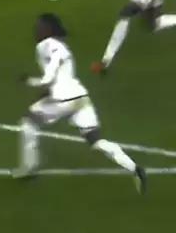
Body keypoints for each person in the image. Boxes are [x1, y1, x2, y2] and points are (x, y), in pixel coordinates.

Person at [18, 13, 146, 194]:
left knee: (28, 121)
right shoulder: (61, 46)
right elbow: (57, 77)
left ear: (48, 29)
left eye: (39, 26)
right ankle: (134, 168)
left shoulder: (46, 45)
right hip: (80, 98)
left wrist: (29, 81)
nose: (36, 30)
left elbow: (49, 78)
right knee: (96, 140)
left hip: (63, 100)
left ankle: (29, 167)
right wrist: (43, 91)